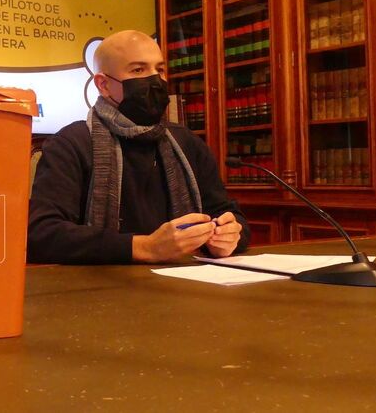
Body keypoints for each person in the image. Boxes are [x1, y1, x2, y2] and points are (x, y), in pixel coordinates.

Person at [28, 30, 249, 264]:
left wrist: (229, 235)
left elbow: (230, 215)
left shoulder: (186, 142)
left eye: (159, 70)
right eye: (138, 70)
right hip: (102, 283)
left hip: (186, 279)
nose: (155, 80)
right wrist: (144, 247)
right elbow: (42, 234)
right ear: (103, 84)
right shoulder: (71, 144)